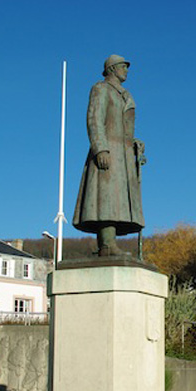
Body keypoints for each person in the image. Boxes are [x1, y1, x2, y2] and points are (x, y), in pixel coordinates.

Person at [73, 54, 145, 256]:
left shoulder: (124, 94)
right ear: (112, 68)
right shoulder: (101, 88)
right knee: (106, 200)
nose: (127, 70)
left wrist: (134, 143)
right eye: (123, 66)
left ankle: (109, 244)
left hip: (124, 154)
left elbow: (123, 127)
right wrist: (100, 148)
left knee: (117, 200)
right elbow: (94, 119)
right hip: (109, 151)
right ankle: (106, 244)